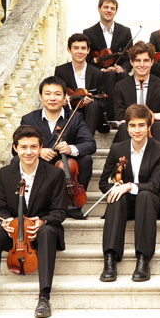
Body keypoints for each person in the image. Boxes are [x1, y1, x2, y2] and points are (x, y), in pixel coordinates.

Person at [0, 125, 67, 318]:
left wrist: (42, 221)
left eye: (33, 147)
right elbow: (0, 208)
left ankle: (44, 297)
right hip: (15, 234)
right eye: (23, 147)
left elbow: (60, 211)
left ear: (40, 148)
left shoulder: (54, 174)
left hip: (40, 234)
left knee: (48, 232)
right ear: (15, 148)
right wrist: (5, 222)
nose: (28, 152)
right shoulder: (6, 173)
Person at [98, 104, 160, 283]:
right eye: (132, 125)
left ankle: (143, 259)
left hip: (149, 203)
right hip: (125, 205)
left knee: (145, 195)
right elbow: (102, 183)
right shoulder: (117, 149)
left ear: (148, 126)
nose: (137, 130)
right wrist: (116, 187)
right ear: (127, 127)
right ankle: (110, 259)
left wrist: (130, 186)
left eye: (141, 125)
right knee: (116, 195)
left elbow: (155, 186)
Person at [20, 76, 97, 220]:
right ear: (41, 97)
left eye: (57, 94)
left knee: (86, 159)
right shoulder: (29, 119)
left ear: (64, 98)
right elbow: (16, 148)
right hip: (41, 165)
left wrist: (70, 149)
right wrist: (38, 152)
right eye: (47, 94)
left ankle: (74, 204)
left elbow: (90, 143)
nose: (52, 98)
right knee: (16, 162)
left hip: (66, 166)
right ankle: (31, 204)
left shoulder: (75, 117)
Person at [111, 41, 160, 146]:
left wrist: (152, 119)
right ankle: (126, 161)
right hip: (131, 127)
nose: (142, 65)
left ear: (152, 62)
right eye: (137, 61)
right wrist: (152, 115)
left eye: (146, 61)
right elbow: (120, 115)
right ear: (131, 62)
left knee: (159, 126)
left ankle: (157, 161)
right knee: (124, 127)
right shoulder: (121, 86)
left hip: (154, 127)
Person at [54, 33, 108, 136]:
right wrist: (64, 100)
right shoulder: (61, 70)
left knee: (93, 106)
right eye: (76, 48)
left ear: (88, 51)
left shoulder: (97, 73)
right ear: (69, 50)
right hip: (71, 112)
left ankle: (86, 142)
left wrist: (92, 100)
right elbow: (57, 93)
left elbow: (104, 101)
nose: (80, 52)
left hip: (92, 114)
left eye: (83, 48)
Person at [83, 0, 132, 76]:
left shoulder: (125, 31)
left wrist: (123, 68)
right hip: (98, 77)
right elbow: (87, 61)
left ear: (115, 12)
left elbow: (130, 57)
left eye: (112, 8)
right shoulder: (88, 33)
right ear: (99, 9)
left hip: (120, 77)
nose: (109, 10)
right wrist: (102, 70)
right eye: (106, 7)